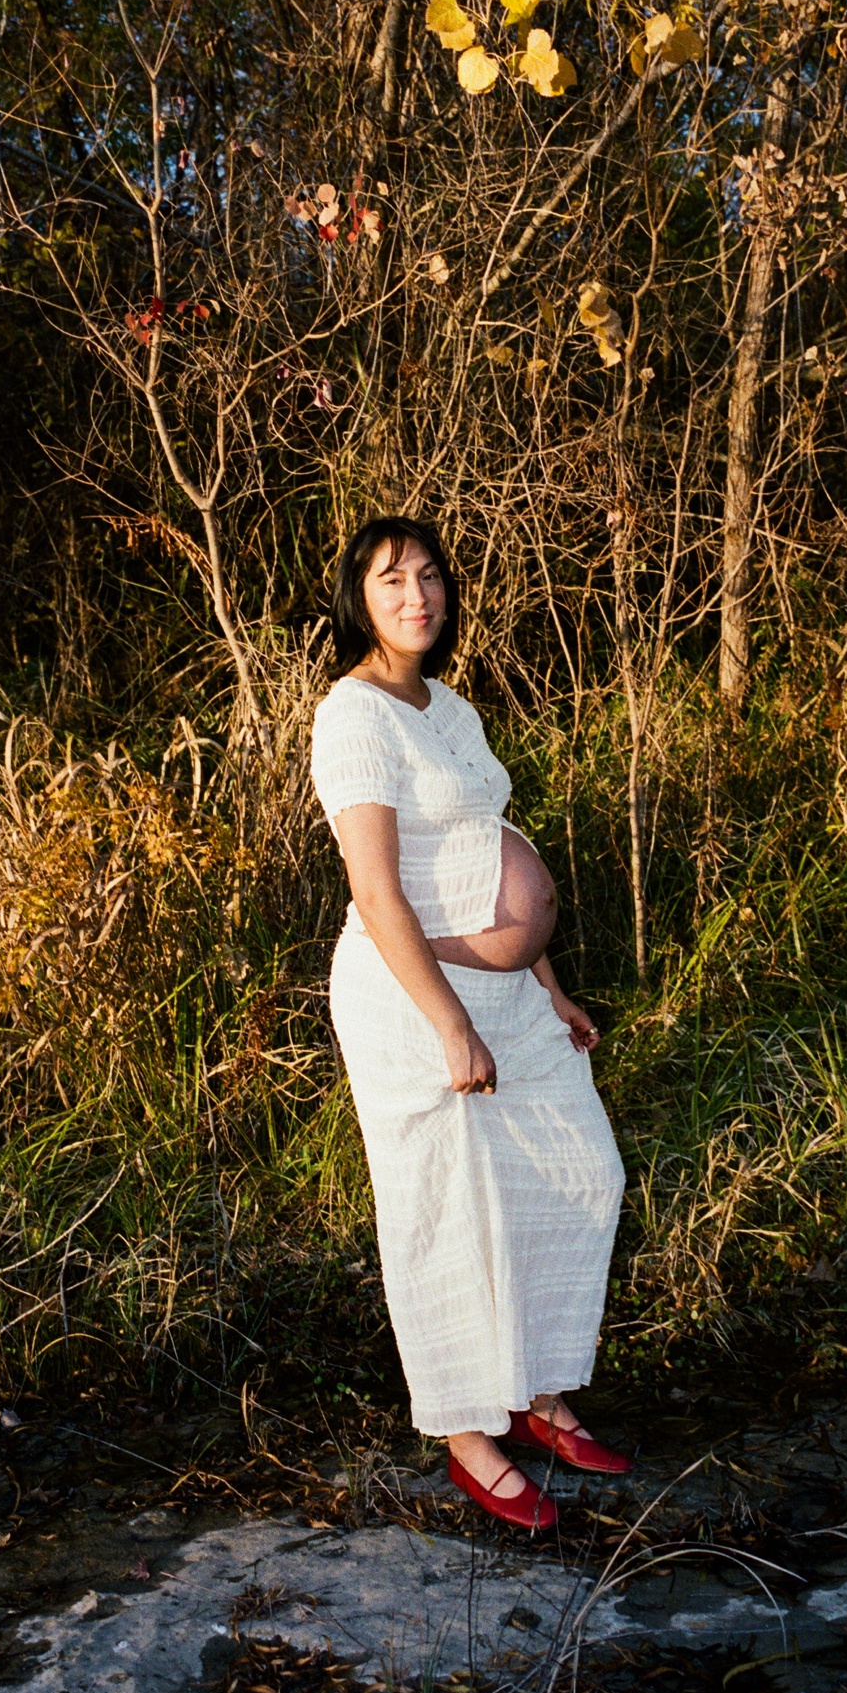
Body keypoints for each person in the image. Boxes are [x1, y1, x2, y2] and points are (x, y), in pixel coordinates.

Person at [309, 514, 629, 1532]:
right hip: (412, 999)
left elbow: (491, 848)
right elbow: (378, 890)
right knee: (445, 1211)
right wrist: (449, 1025)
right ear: (358, 596)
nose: (418, 596)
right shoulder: (353, 715)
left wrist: (549, 981)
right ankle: (466, 1432)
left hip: (505, 992)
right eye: (392, 579)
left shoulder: (449, 704)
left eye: (432, 576)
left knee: (579, 1167)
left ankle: (535, 1391)